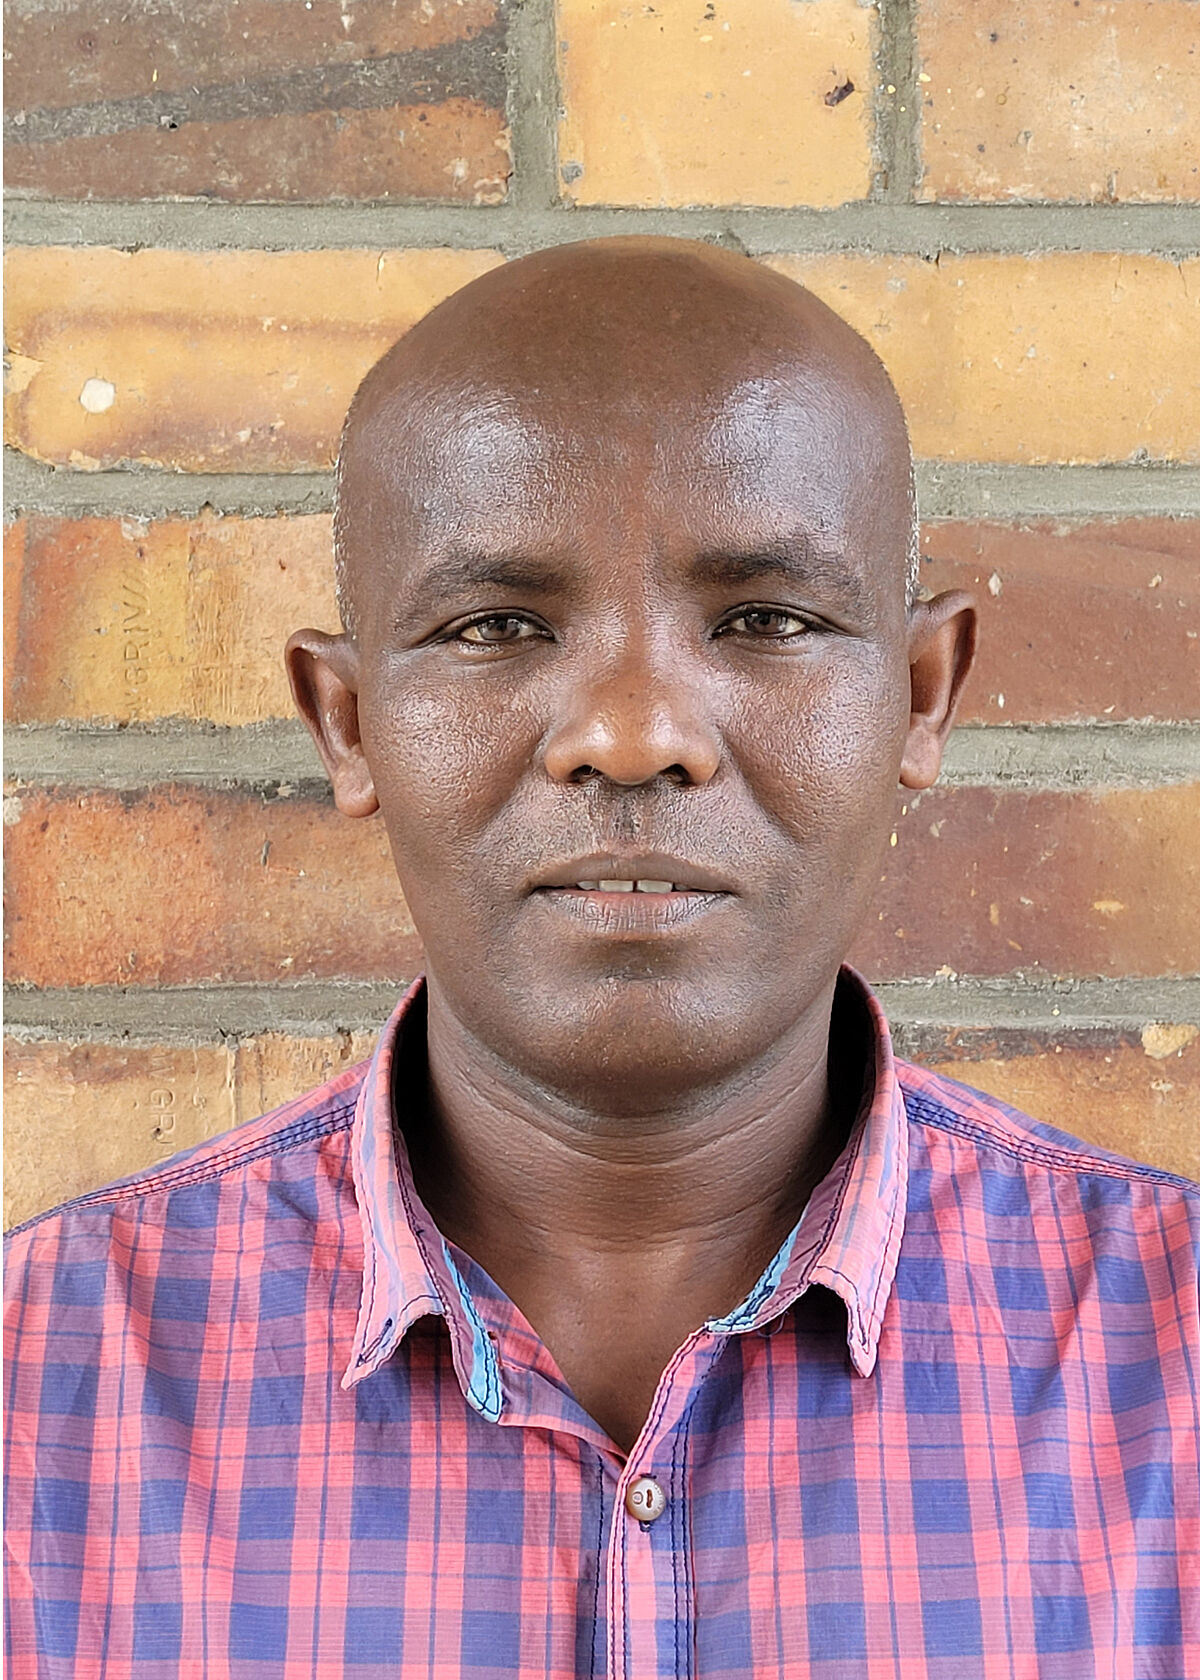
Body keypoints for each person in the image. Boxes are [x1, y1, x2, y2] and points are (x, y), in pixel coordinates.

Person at [5, 237, 1197, 1678]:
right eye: (497, 625)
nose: (635, 737)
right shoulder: (43, 1384)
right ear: (349, 724)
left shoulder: (1171, 1359)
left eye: (766, 620)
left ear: (920, 695)